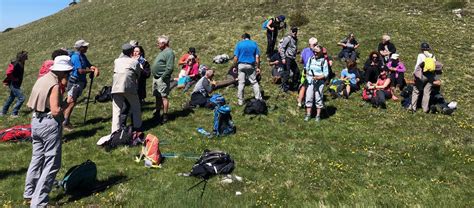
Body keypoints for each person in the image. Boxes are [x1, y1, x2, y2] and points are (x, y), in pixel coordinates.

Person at [24, 55, 72, 207]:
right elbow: (56, 111)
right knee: (52, 163)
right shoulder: (54, 85)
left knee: (37, 158)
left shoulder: (42, 79)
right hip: (49, 124)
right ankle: (38, 202)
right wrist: (67, 103)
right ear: (63, 71)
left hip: (36, 122)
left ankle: (29, 192)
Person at [62, 40, 100, 131]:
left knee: (71, 101)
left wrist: (94, 68)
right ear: (81, 48)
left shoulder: (82, 56)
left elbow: (89, 65)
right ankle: (65, 122)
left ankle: (65, 120)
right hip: (75, 82)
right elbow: (80, 71)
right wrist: (91, 71)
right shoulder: (76, 57)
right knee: (71, 102)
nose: (87, 48)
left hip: (79, 82)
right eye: (85, 46)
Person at [110, 43, 143, 133]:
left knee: (116, 110)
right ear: (131, 52)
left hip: (116, 87)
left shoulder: (116, 61)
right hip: (129, 87)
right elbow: (138, 74)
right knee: (136, 107)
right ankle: (137, 127)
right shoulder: (134, 62)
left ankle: (115, 131)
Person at [232, 33, 262, 106]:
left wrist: (234, 66)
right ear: (249, 38)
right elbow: (257, 57)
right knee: (254, 82)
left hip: (241, 65)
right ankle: (258, 99)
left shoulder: (239, 44)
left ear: (243, 38)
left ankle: (240, 101)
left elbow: (236, 57)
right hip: (250, 65)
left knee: (241, 83)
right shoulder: (254, 44)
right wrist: (258, 67)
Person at [151, 35, 175, 123]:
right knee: (157, 96)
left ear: (164, 43)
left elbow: (169, 68)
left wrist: (163, 77)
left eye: (158, 43)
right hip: (156, 77)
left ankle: (165, 115)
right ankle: (157, 112)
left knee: (164, 96)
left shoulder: (169, 52)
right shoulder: (162, 51)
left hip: (162, 79)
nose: (157, 44)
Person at [304, 45, 328, 122]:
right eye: (314, 51)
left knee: (318, 98)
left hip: (319, 82)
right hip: (311, 81)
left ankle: (318, 116)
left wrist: (318, 77)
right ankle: (308, 114)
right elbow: (307, 69)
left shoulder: (324, 61)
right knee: (309, 97)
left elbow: (326, 74)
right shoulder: (311, 59)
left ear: (321, 52)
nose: (315, 53)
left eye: (317, 52)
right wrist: (307, 76)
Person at [1, 51, 28, 117]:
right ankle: (14, 113)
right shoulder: (15, 63)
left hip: (17, 83)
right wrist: (13, 79)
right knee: (22, 98)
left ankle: (3, 112)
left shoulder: (22, 62)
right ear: (21, 57)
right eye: (25, 55)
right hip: (13, 83)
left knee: (11, 98)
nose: (27, 56)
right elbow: (8, 73)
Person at [279, 27, 299, 92]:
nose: (294, 32)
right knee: (287, 73)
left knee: (297, 72)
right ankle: (284, 86)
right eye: (293, 31)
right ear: (291, 31)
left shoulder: (295, 39)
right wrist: (283, 58)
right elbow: (282, 48)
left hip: (292, 58)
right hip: (287, 58)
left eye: (295, 31)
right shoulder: (288, 38)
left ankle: (294, 86)